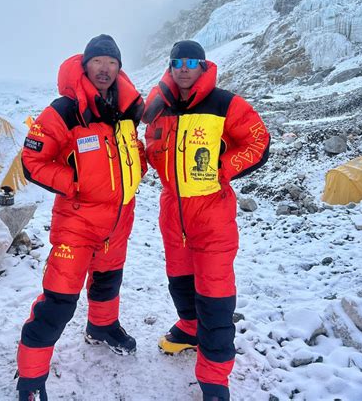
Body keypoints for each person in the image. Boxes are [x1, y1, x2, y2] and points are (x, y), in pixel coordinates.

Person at [16, 34, 147, 401]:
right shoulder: (64, 109)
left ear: (119, 69)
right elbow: (32, 161)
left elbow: (131, 149)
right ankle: (31, 377)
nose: (105, 69)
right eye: (98, 62)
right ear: (85, 66)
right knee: (58, 302)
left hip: (119, 221)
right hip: (77, 222)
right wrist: (74, 183)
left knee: (108, 283)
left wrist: (137, 168)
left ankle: (102, 328)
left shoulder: (123, 110)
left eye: (112, 63)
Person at [143, 40, 270, 401]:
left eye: (191, 62)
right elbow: (150, 148)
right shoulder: (161, 106)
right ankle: (188, 328)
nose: (183, 68)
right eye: (177, 61)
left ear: (203, 66)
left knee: (215, 296)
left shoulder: (225, 103)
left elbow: (258, 141)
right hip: (173, 212)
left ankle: (215, 379)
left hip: (212, 214)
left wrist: (224, 167)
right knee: (180, 283)